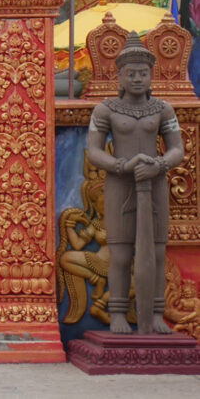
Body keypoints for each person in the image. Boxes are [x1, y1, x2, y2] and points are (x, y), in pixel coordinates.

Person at [86, 31, 184, 334]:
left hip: (154, 184)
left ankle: (155, 313)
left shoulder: (162, 109)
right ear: (120, 77)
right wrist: (122, 165)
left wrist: (160, 164)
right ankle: (117, 313)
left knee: (155, 251)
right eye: (131, 73)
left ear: (151, 76)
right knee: (121, 252)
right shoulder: (106, 110)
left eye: (143, 73)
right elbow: (93, 151)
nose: (138, 79)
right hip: (120, 184)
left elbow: (178, 148)